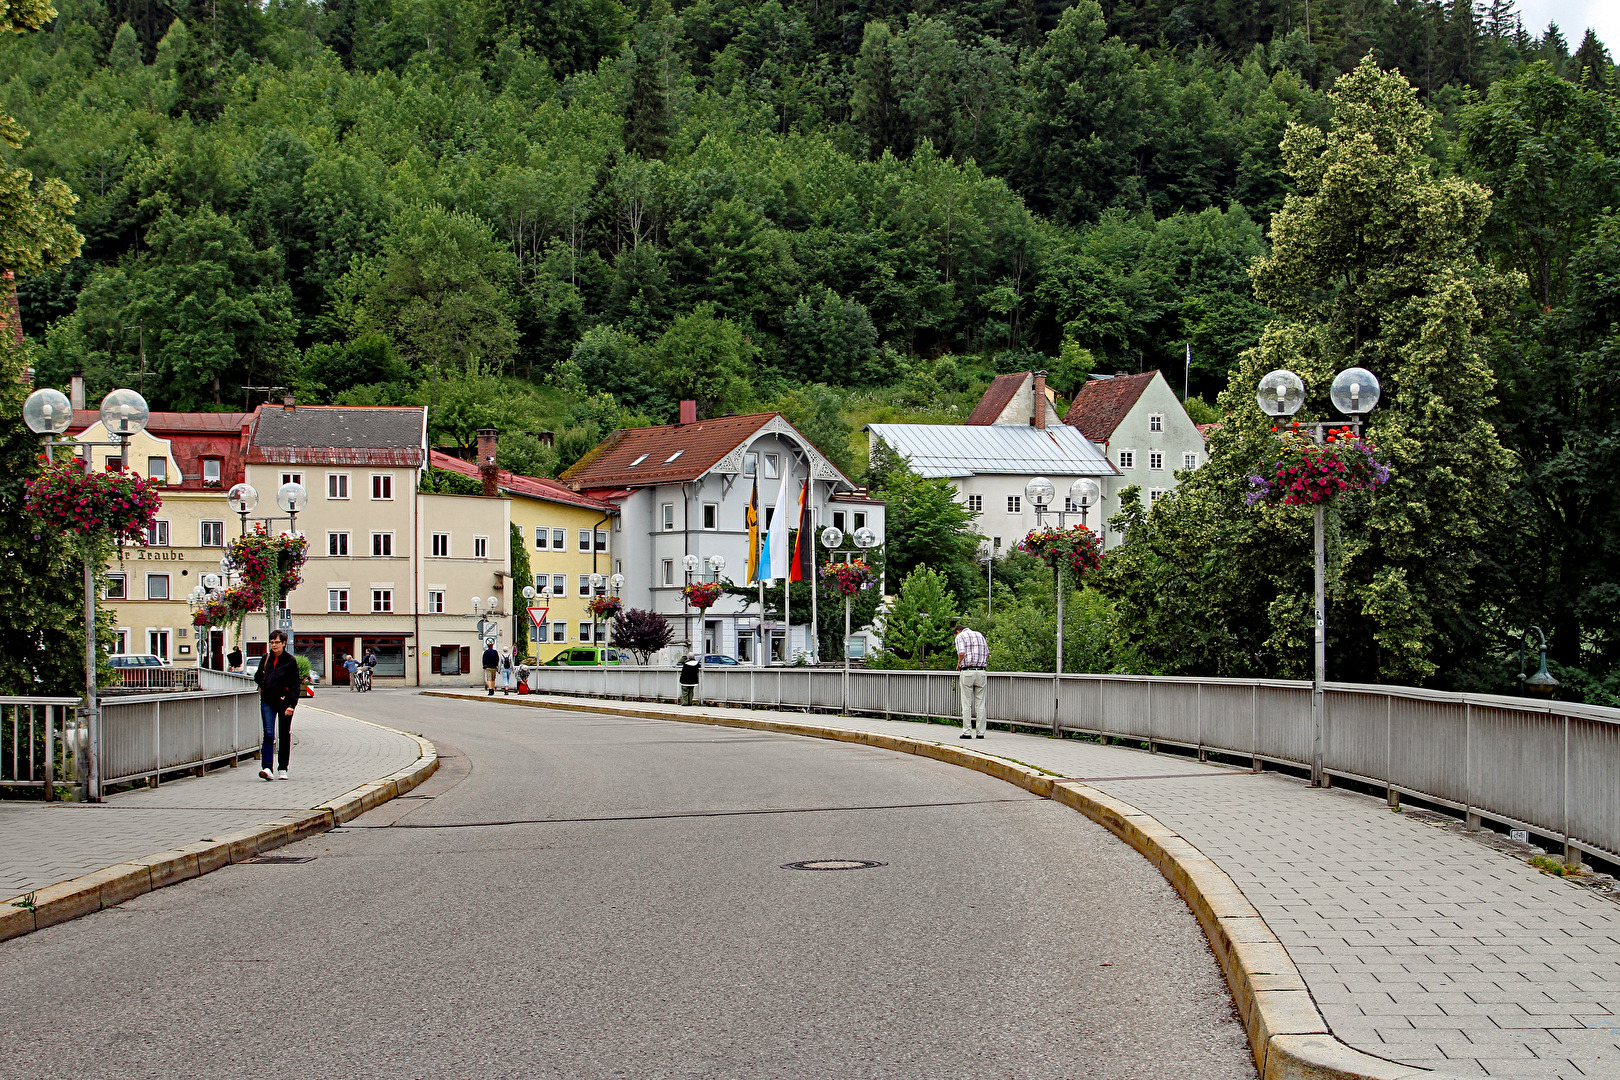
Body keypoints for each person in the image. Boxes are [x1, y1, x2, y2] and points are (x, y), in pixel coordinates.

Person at [253, 630, 301, 780]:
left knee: (283, 734)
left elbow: (295, 685)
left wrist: (291, 704)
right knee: (268, 733)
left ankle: (282, 768)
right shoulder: (266, 658)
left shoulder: (290, 661)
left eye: (277, 642)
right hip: (268, 700)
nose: (274, 645)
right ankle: (267, 768)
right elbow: (257, 676)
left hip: (284, 701)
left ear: (284, 643)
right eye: (272, 642)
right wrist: (265, 684)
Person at [954, 621, 989, 739]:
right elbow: (987, 655)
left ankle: (967, 732)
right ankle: (980, 733)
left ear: (957, 632)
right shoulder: (980, 635)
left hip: (967, 671)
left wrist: (959, 663)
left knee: (966, 703)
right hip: (981, 671)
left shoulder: (960, 637)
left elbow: (961, 653)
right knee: (980, 704)